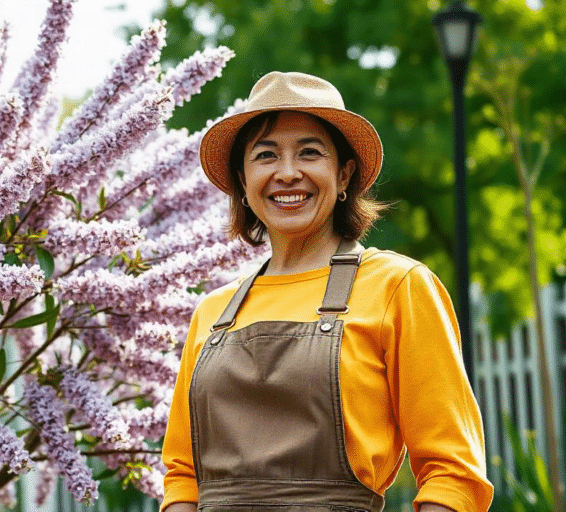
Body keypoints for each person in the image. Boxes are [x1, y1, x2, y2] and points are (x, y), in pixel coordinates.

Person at [160, 71, 493, 512]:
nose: (287, 172)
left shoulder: (398, 286)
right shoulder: (212, 313)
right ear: (243, 181)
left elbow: (454, 474)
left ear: (343, 175)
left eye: (310, 153)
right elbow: (183, 477)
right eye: (265, 155)